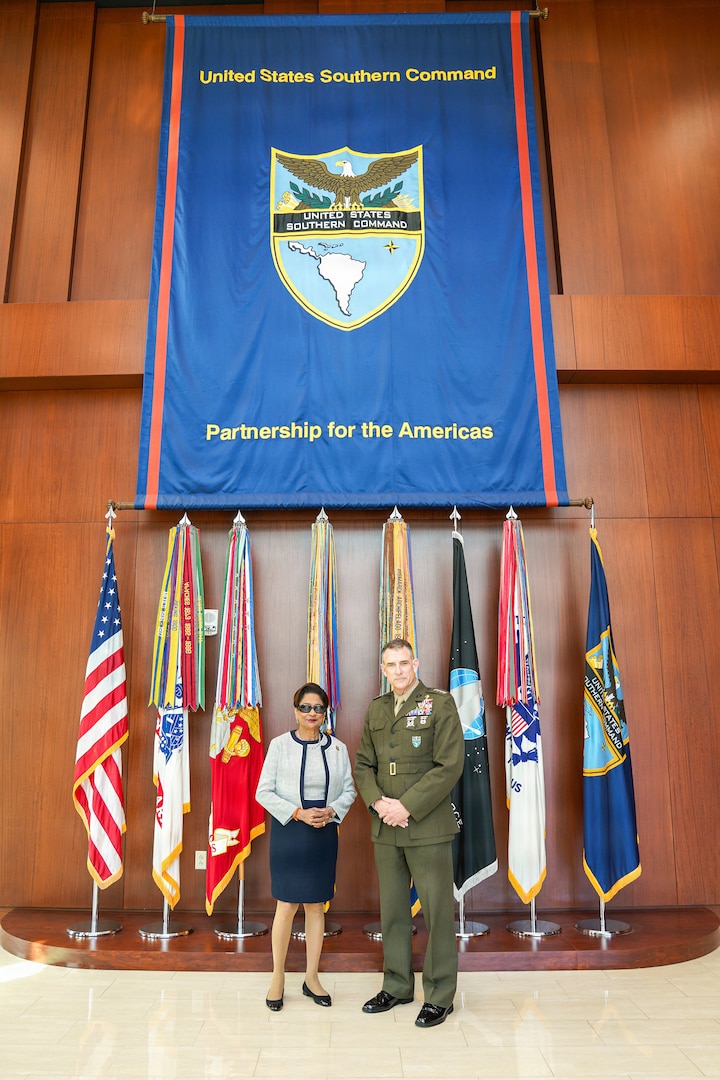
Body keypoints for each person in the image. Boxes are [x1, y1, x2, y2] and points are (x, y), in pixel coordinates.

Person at [355, 638, 464, 1028]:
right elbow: (364, 764)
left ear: (416, 663)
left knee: (436, 913)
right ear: (383, 669)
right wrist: (380, 805)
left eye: (404, 663)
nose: (399, 671)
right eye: (391, 665)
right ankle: (398, 985)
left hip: (427, 826)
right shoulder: (377, 709)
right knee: (394, 913)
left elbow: (449, 765)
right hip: (386, 827)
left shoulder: (439, 703)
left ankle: (439, 995)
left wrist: (406, 806)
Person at [255, 682, 356, 1011]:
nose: (312, 713)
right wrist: (297, 812)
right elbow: (263, 792)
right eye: (305, 707)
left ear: (325, 711)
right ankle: (278, 977)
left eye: (318, 708)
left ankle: (312, 977)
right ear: (295, 710)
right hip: (289, 832)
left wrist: (332, 811)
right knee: (286, 906)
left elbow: (349, 791)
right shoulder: (279, 745)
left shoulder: (338, 749)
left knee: (316, 906)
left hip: (323, 833)